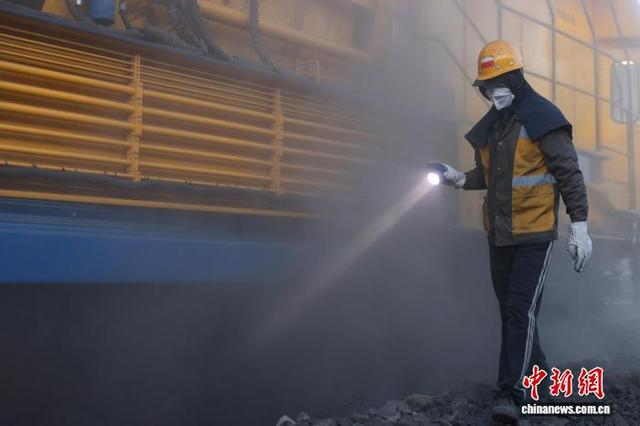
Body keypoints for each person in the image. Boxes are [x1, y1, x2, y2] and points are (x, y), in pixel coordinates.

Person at [431, 40, 592, 424]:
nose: (494, 91)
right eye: (488, 85)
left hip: (534, 235)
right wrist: (457, 178)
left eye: (500, 81)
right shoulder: (494, 127)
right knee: (512, 312)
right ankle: (540, 378)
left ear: (518, 77)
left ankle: (511, 392)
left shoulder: (543, 118)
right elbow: (490, 177)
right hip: (500, 235)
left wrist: (580, 226)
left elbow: (569, 173)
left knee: (520, 310)